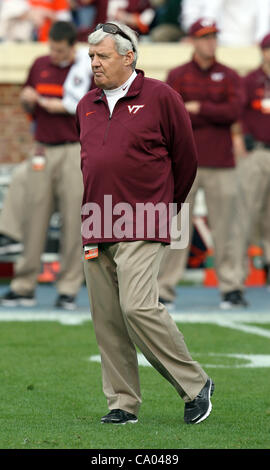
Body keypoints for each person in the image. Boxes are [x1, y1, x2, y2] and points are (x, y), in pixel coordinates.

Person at [76, 20, 214, 425]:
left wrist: (167, 206)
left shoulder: (161, 96)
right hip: (96, 219)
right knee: (108, 320)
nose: (95, 63)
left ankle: (194, 384)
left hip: (144, 217)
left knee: (136, 307)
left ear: (128, 56)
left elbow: (186, 159)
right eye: (91, 57)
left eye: (102, 56)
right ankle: (122, 402)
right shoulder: (86, 104)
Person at [157, 18, 248, 310]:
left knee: (227, 228)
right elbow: (170, 115)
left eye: (213, 37)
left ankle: (231, 287)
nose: (210, 42)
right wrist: (208, 112)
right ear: (193, 41)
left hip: (222, 162)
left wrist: (198, 108)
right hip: (185, 162)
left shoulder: (231, 75)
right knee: (176, 228)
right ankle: (164, 289)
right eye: (204, 37)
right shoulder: (178, 75)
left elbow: (234, 111)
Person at [0, 21, 92, 309]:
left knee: (72, 221)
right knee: (34, 218)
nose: (53, 54)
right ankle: (24, 285)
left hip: (72, 149)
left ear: (71, 47)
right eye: (51, 48)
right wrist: (30, 101)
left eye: (59, 49)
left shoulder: (84, 70)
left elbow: (80, 108)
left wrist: (46, 101)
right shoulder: (39, 64)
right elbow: (31, 108)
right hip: (43, 147)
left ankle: (67, 288)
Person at [234, 32, 270, 290]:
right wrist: (238, 139)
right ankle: (236, 277)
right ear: (263, 51)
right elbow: (235, 113)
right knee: (245, 214)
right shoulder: (250, 80)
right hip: (255, 151)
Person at [181, 0, 270, 47]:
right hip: (221, 41)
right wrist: (196, 36)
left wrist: (261, 38)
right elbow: (210, 13)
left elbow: (264, 13)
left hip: (251, 42)